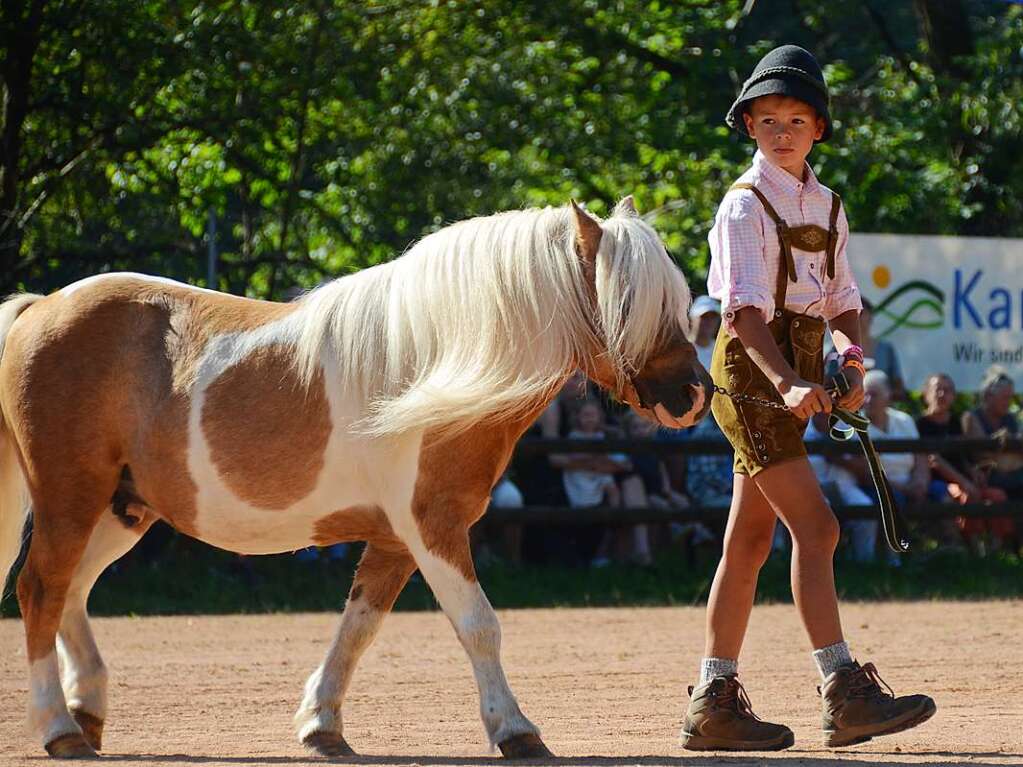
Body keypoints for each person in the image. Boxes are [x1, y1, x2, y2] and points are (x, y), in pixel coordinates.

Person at [681, 45, 934, 752]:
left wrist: (849, 359)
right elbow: (741, 315)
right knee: (818, 530)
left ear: (817, 127)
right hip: (750, 372)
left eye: (795, 118)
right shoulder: (742, 205)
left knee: (749, 541)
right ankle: (841, 688)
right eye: (767, 119)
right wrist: (789, 379)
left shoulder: (827, 204)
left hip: (793, 366)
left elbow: (845, 302)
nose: (782, 131)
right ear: (749, 126)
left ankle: (712, 700)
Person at [916, 373, 1011, 551]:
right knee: (968, 497)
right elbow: (933, 460)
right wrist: (964, 483)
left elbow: (961, 457)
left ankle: (997, 549)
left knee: (998, 496)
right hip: (938, 482)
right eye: (938, 390)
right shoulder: (920, 424)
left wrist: (974, 473)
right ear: (926, 393)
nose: (942, 395)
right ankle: (972, 546)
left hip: (963, 479)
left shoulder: (956, 422)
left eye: (948, 390)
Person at [550, 399, 631, 566]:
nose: (589, 419)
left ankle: (615, 516)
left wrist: (601, 462)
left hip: (600, 473)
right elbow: (575, 459)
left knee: (611, 488)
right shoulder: (573, 437)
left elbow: (615, 460)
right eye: (585, 415)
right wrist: (593, 460)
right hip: (580, 474)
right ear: (578, 417)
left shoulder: (603, 436)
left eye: (593, 415)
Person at [859, 298, 907, 402]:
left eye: (861, 313)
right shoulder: (834, 351)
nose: (857, 317)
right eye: (852, 314)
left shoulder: (886, 349)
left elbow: (899, 387)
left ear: (870, 317)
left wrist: (879, 397)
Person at [689, 295, 722, 372]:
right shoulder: (679, 351)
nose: (709, 322)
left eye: (713, 317)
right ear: (692, 319)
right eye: (704, 317)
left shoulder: (721, 352)